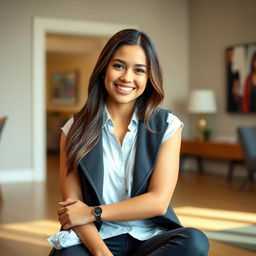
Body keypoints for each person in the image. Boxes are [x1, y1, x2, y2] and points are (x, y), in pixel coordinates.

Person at [49, 29, 209, 256]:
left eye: (139, 70)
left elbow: (158, 202)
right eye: (119, 66)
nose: (127, 77)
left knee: (195, 241)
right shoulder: (74, 128)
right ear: (104, 68)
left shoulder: (168, 125)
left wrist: (93, 212)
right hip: (96, 238)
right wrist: (102, 254)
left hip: (149, 236)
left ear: (149, 77)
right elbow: (73, 210)